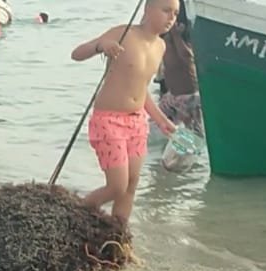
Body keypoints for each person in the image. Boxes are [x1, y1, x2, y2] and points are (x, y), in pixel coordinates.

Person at [71, 0, 178, 223]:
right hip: (109, 119)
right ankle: (78, 212)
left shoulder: (161, 46)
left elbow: (141, 89)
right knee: (117, 186)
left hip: (137, 121)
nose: (171, 18)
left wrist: (160, 119)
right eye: (166, 10)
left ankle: (118, 233)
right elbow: (77, 54)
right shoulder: (124, 33)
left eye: (176, 14)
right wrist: (101, 46)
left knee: (130, 185)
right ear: (148, 9)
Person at [158, 14, 201, 135]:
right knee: (157, 129)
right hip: (171, 97)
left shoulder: (181, 42)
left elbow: (188, 58)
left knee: (196, 134)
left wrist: (175, 34)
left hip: (189, 97)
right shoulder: (163, 42)